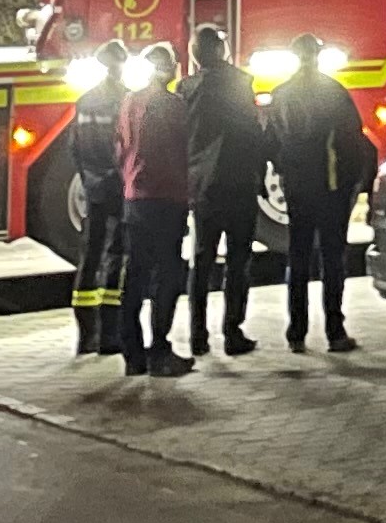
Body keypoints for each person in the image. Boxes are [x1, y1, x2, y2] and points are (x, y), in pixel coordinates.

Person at [268, 36, 374, 351]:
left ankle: (296, 333)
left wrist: (287, 176)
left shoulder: (281, 95)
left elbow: (271, 145)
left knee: (297, 258)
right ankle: (334, 332)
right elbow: (353, 141)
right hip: (330, 190)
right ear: (317, 55)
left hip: (298, 191)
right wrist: (353, 185)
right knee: (332, 261)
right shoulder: (333, 92)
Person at [179, 25, 267, 358]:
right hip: (238, 183)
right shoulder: (239, 83)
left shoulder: (185, 88)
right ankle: (232, 332)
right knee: (237, 261)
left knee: (201, 260)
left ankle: (197, 336)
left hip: (202, 187)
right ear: (220, 50)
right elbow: (252, 133)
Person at [118, 41, 193, 377]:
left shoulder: (129, 102)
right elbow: (185, 150)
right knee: (166, 277)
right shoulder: (174, 106)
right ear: (170, 69)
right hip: (167, 199)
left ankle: (132, 355)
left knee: (134, 276)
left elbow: (119, 147)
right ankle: (160, 351)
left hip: (135, 198)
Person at [64, 38, 129, 357]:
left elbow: (74, 147)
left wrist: (89, 179)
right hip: (117, 187)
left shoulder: (85, 101)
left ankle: (85, 335)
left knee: (89, 256)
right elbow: (126, 147)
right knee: (116, 256)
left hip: (93, 188)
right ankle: (109, 336)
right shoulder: (124, 100)